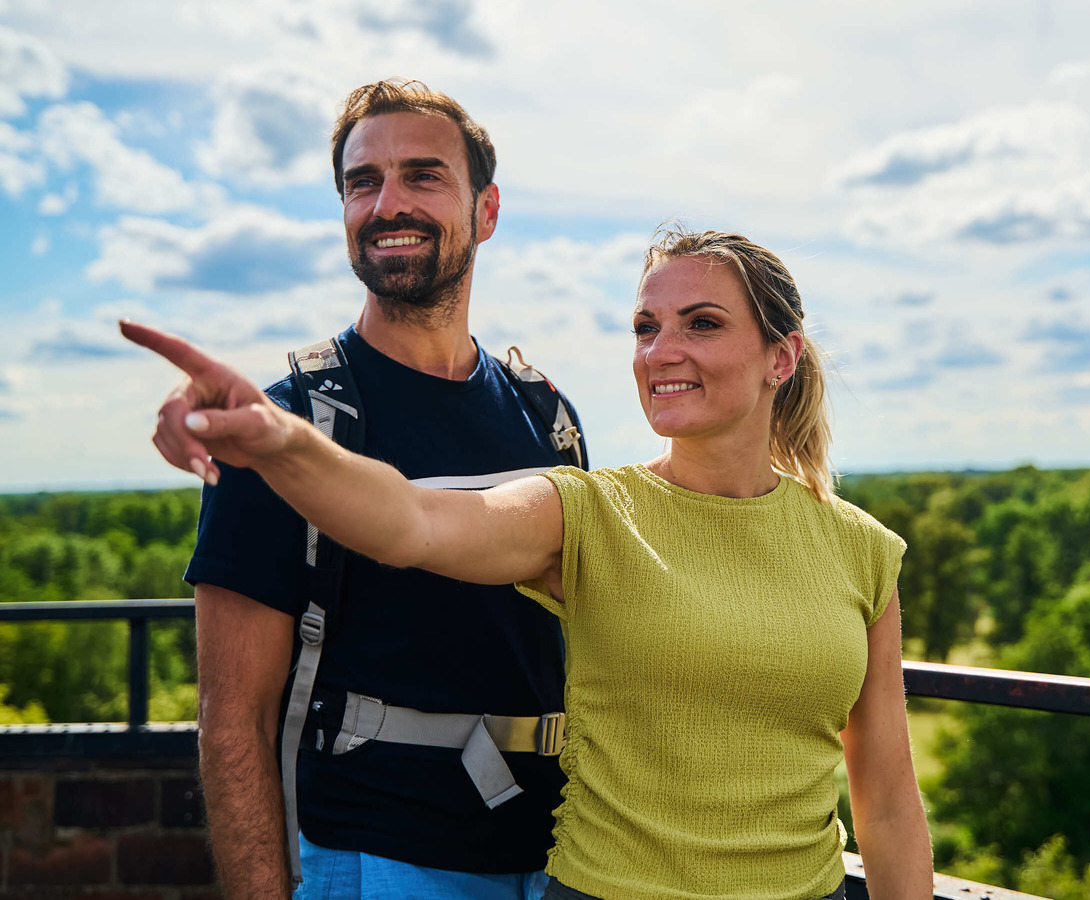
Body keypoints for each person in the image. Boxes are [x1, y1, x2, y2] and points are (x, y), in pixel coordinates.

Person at [125, 228, 933, 899]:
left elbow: (889, 801)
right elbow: (409, 522)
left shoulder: (861, 550)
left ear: (780, 359)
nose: (662, 351)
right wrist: (279, 437)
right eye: (646, 327)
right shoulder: (588, 512)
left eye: (702, 324)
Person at [171, 79, 577, 899]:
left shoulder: (547, 416)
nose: (388, 203)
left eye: (423, 176)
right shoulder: (289, 428)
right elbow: (234, 717)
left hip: (566, 855)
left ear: (486, 211)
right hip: (377, 857)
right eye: (364, 182)